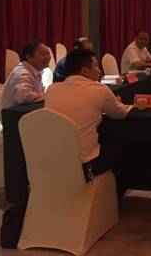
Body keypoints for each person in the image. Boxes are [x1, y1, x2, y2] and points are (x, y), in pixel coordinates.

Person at [45, 48, 133, 196]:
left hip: (52, 161)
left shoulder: (51, 89)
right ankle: (112, 200)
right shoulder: (99, 89)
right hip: (84, 165)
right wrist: (120, 103)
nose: (99, 70)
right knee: (123, 151)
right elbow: (121, 114)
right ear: (85, 71)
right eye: (96, 66)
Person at [0, 39, 51, 110]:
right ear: (29, 57)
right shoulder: (22, 73)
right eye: (42, 54)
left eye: (48, 53)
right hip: (14, 114)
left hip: (27, 111)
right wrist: (49, 96)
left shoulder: (36, 70)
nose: (47, 57)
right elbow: (24, 96)